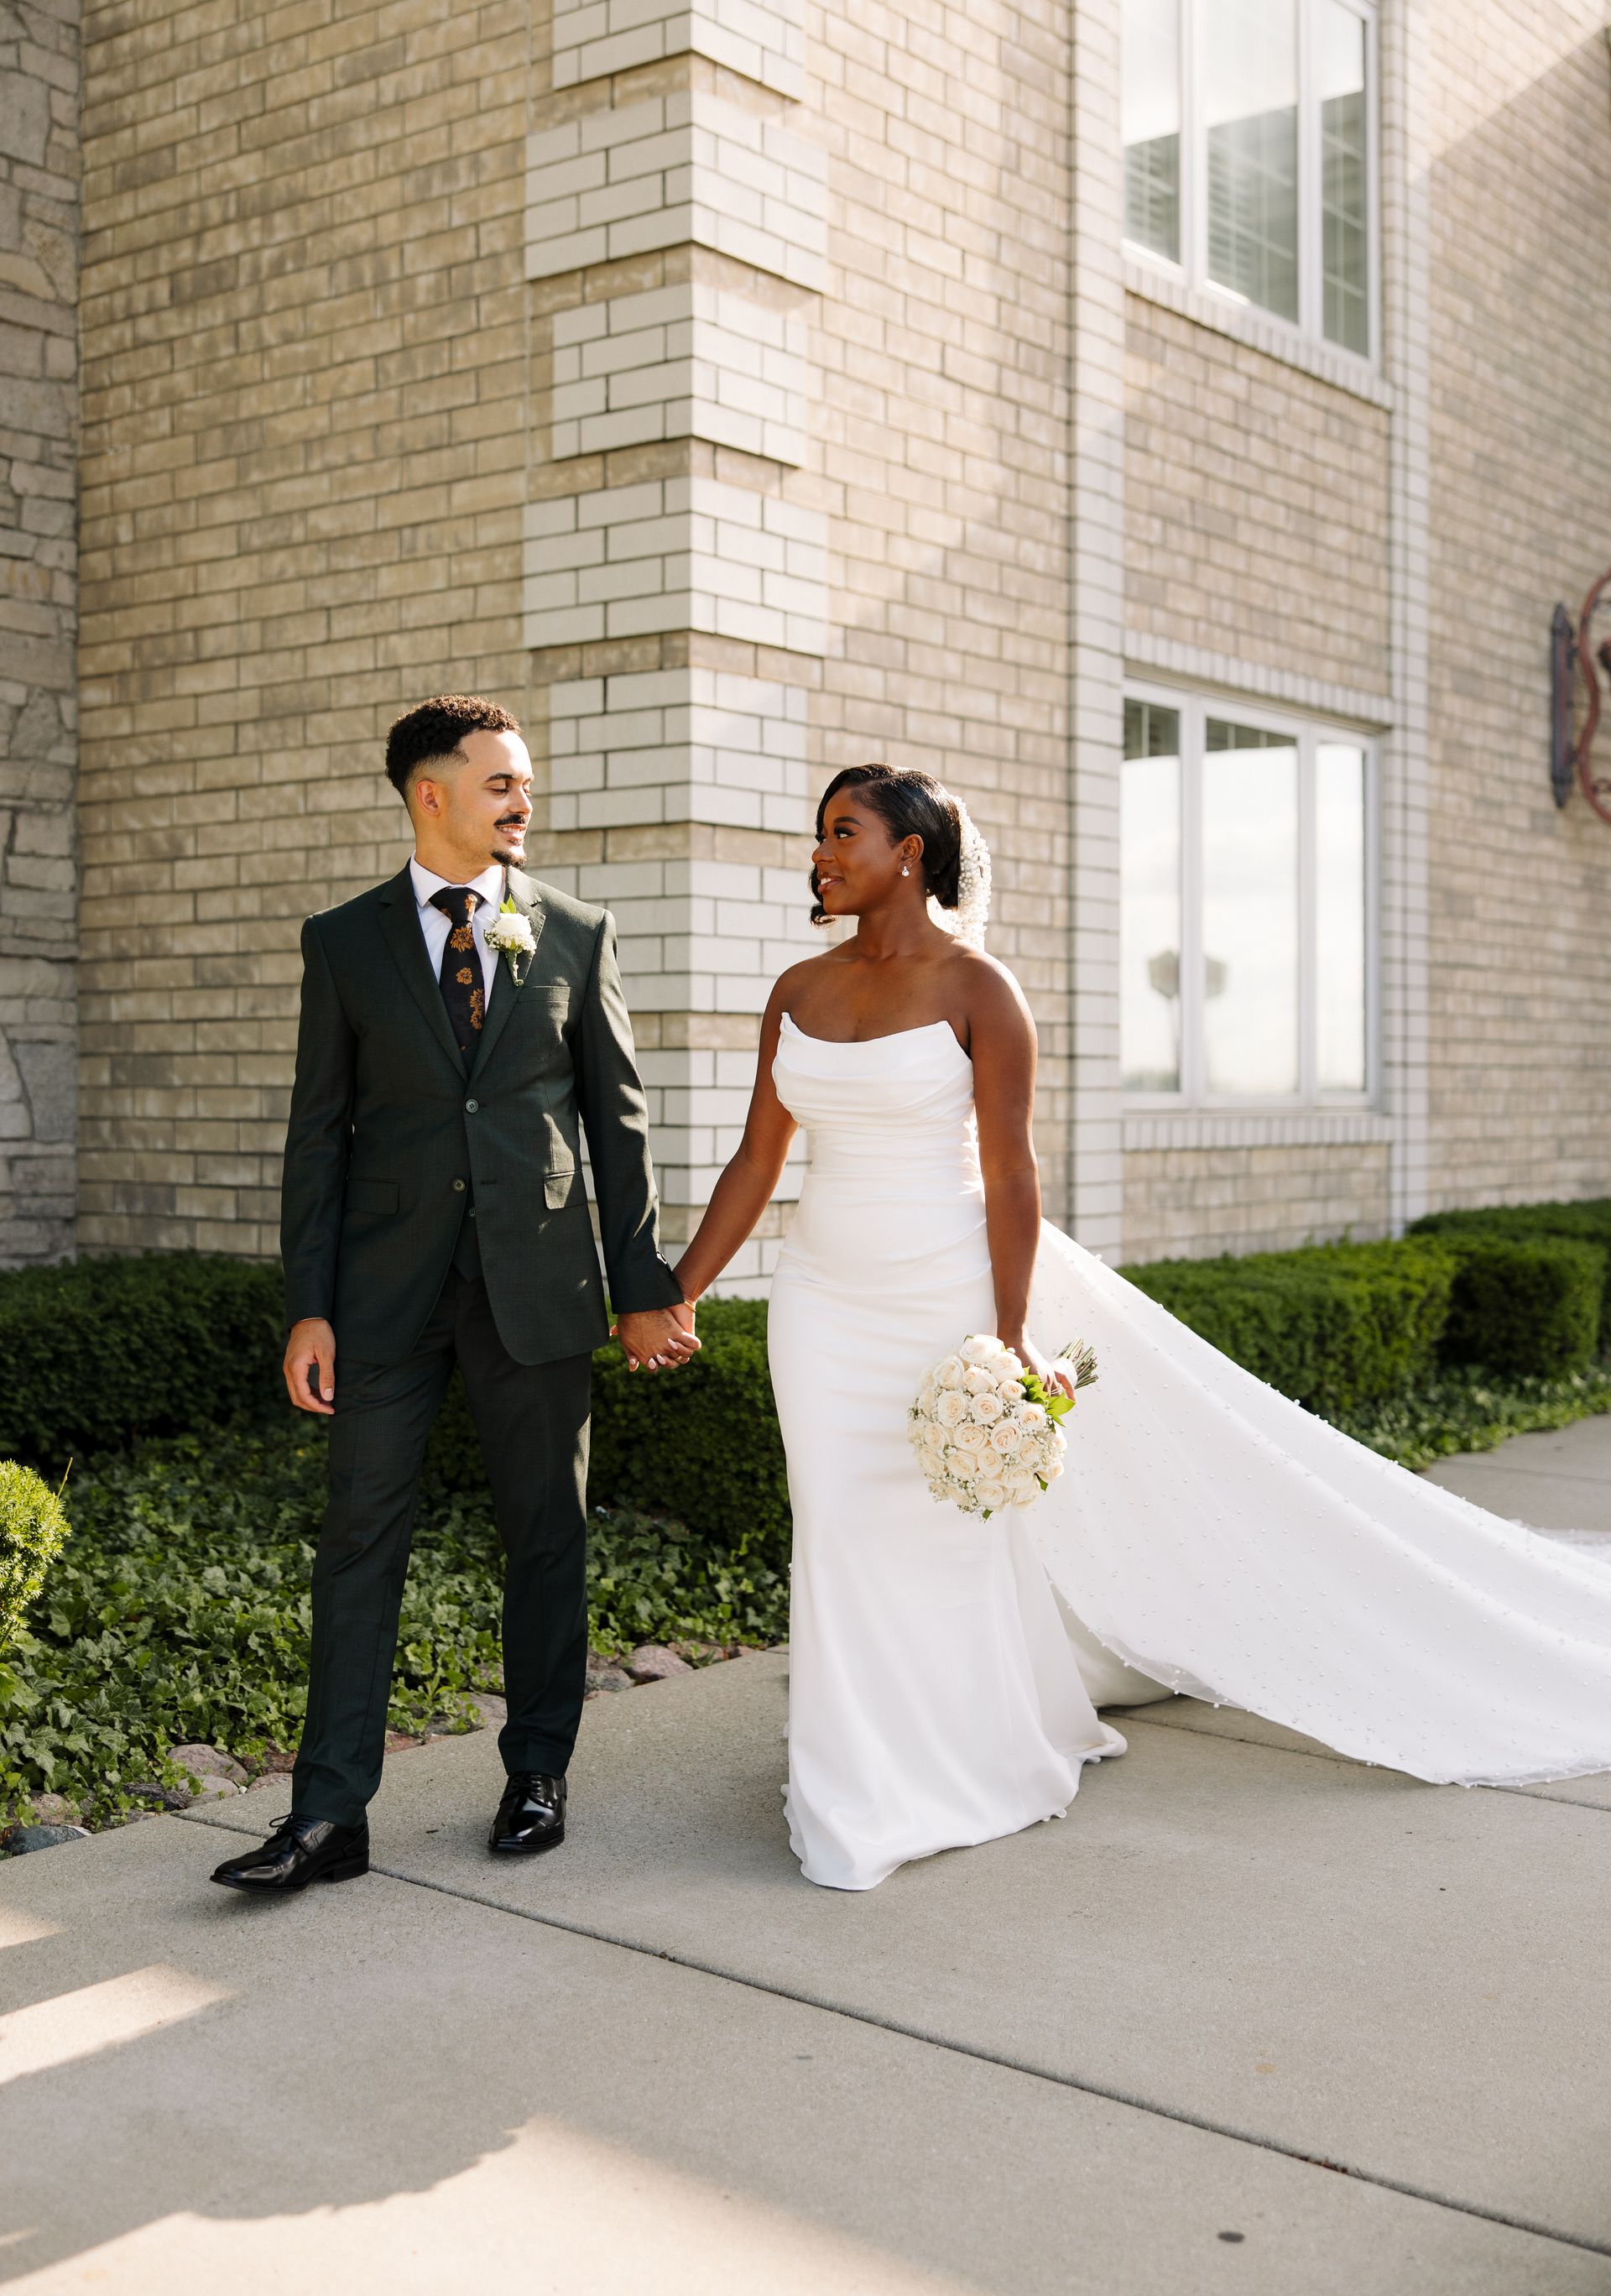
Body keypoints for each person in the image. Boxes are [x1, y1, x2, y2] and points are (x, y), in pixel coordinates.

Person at [672, 764, 1611, 1892]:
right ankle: (856, 1774)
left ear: (909, 854)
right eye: (819, 834)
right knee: (837, 1528)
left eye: (842, 832)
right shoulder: (795, 991)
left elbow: (1013, 1174)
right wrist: (679, 1290)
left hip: (942, 1294)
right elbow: (755, 1162)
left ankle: (958, 1752)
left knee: (942, 1530)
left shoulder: (980, 991)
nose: (819, 853)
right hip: (821, 1304)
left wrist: (1009, 1337)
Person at [211, 695, 697, 1895]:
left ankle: (538, 1770)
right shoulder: (343, 940)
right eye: (501, 784)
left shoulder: (577, 931)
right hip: (384, 1296)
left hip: (536, 1287)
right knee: (358, 1544)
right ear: (431, 794)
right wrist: (308, 1304)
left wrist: (642, 1285)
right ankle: (329, 1817)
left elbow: (618, 1128)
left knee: (547, 1535)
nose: (523, 801)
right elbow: (316, 1136)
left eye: (524, 784)